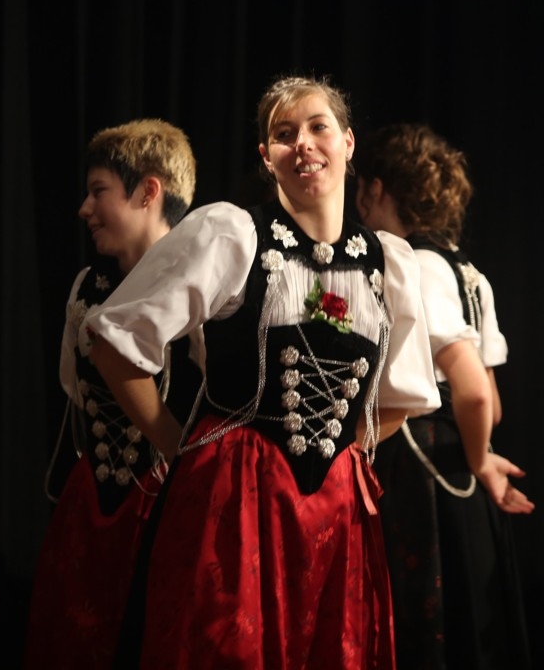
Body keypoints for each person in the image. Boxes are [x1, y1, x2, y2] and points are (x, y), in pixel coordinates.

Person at [85, 75, 439, 668]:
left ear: (348, 143)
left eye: (318, 127)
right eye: (284, 133)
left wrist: (339, 453)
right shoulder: (233, 235)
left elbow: (402, 395)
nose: (303, 144)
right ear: (266, 156)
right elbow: (114, 343)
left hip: (334, 510)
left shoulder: (389, 262)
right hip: (234, 498)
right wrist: (178, 445)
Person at [354, 124, 534, 670]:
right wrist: (477, 455)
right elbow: (492, 404)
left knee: (424, 627)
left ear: (376, 190)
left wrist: (478, 460)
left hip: (424, 466)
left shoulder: (418, 266)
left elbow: (473, 390)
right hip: (456, 465)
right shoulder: (469, 273)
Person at [23, 118, 201, 669]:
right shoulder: (89, 286)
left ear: (149, 192)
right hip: (95, 505)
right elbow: (74, 390)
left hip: (173, 508)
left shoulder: (204, 287)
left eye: (98, 191)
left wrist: (177, 457)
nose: (85, 208)